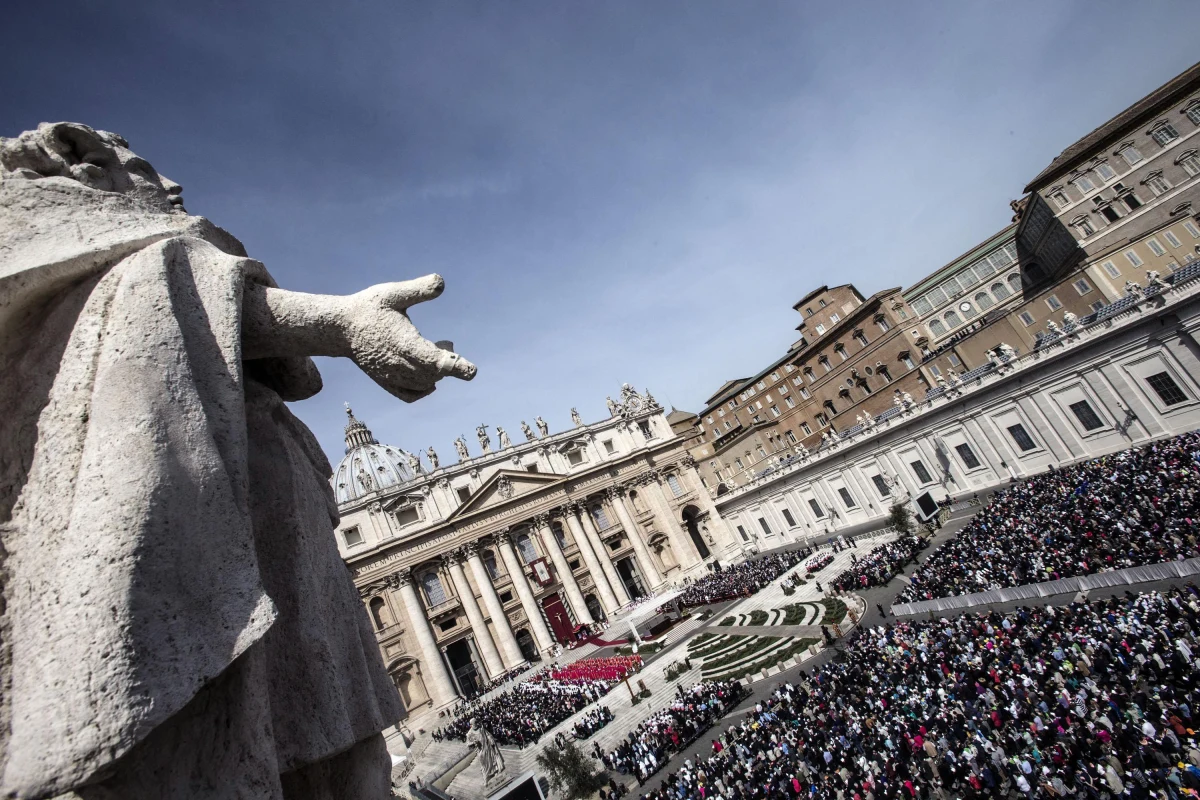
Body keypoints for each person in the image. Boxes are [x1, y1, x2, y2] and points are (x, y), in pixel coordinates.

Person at [0, 122, 476, 799]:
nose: (171, 184)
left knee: (340, 757)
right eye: (143, 169)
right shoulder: (106, 267)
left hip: (274, 520)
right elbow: (184, 296)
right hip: (211, 530)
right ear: (84, 164)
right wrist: (339, 320)